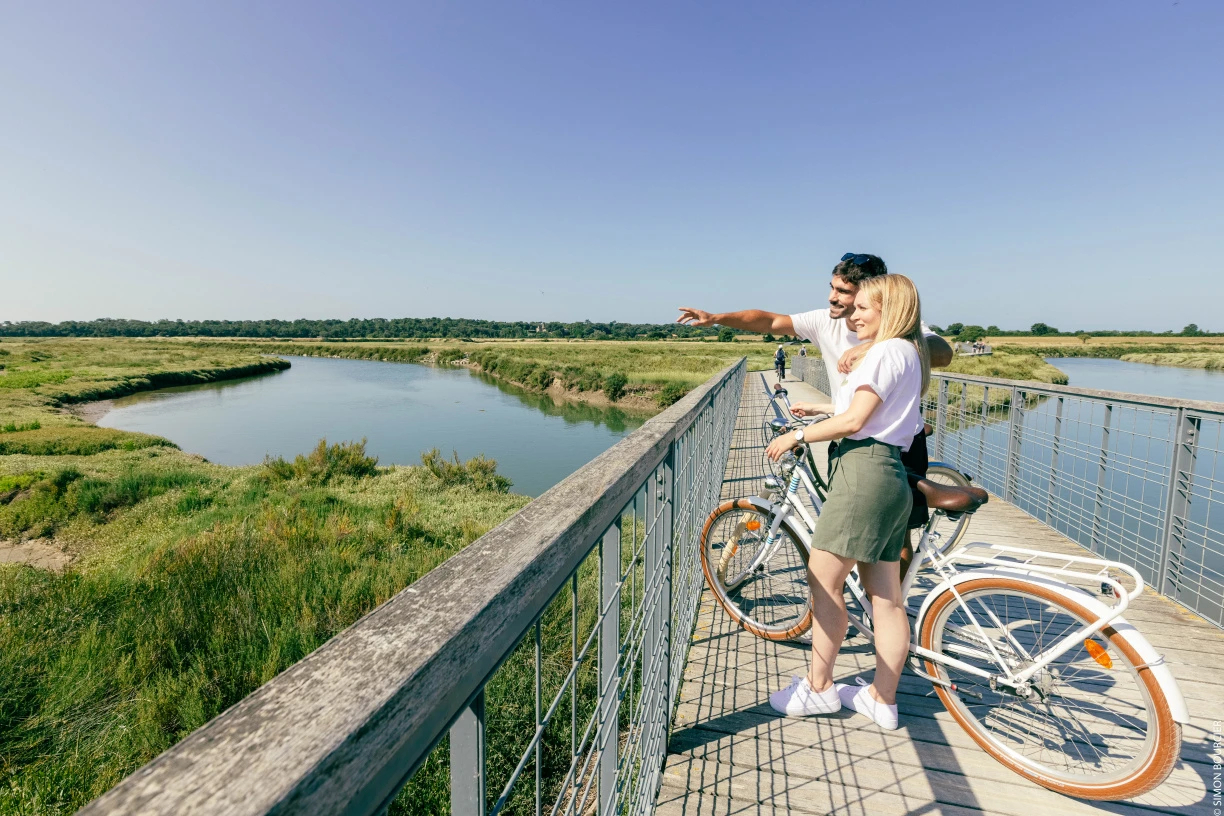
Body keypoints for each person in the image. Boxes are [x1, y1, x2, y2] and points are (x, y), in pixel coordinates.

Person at [677, 252, 953, 580]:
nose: (831, 297)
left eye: (843, 291)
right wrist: (716, 318)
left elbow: (944, 353)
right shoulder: (826, 320)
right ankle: (879, 602)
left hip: (898, 441)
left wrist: (873, 346)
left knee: (898, 534)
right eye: (832, 287)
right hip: (851, 441)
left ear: (872, 294)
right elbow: (769, 321)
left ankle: (893, 602)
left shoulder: (900, 329)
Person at [761, 274, 929, 729]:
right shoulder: (908, 352)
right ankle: (882, 698)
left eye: (863, 310)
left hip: (863, 472)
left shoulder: (886, 352)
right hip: (892, 472)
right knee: (887, 599)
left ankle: (818, 689)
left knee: (823, 580)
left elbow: (855, 420)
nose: (852, 315)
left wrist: (797, 435)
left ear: (888, 311)